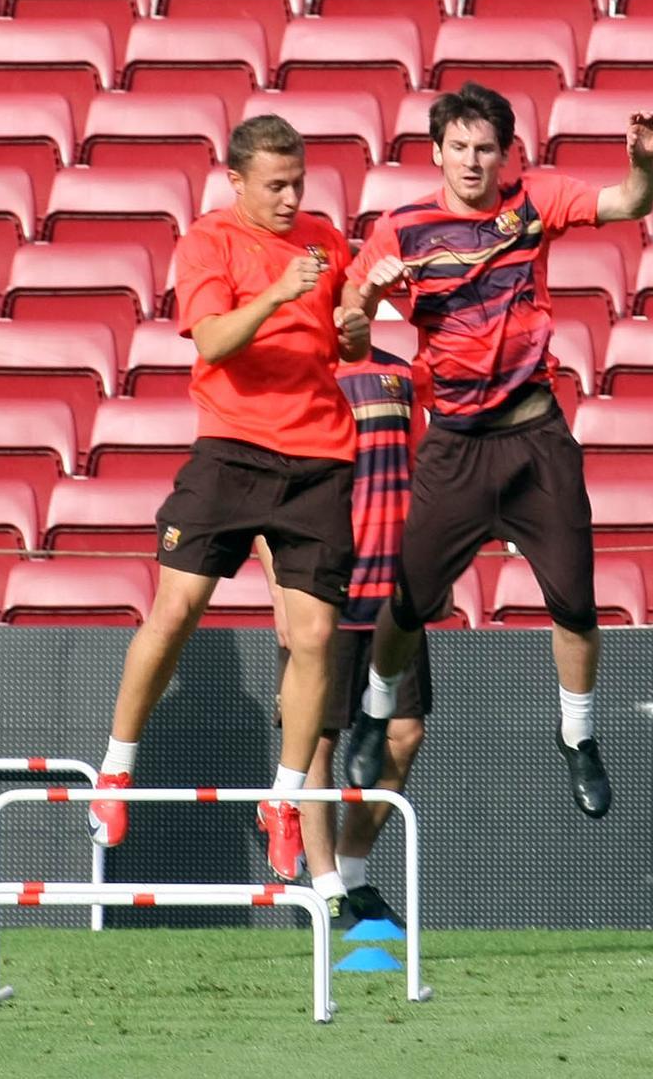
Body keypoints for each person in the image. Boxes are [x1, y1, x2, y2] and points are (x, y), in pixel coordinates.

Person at [343, 83, 653, 821]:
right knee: (408, 599)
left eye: (485, 147)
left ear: (506, 153)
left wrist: (643, 162)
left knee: (576, 602)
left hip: (534, 433)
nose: (472, 161)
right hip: (454, 441)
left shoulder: (532, 199)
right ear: (436, 152)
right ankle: (374, 709)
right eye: (459, 147)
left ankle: (578, 735)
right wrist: (367, 300)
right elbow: (346, 334)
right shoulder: (400, 229)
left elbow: (629, 203)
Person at [87, 114, 371, 880]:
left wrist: (354, 322)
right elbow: (212, 341)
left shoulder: (325, 239)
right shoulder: (208, 241)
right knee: (175, 611)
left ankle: (281, 798)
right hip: (232, 449)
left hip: (318, 456)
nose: (290, 198)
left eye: (298, 183)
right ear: (237, 180)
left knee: (316, 639)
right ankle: (116, 768)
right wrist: (280, 291)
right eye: (275, 185)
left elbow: (350, 343)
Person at [263, 342, 430, 929]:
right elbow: (266, 491)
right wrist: (279, 590)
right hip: (320, 586)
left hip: (393, 592)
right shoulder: (295, 370)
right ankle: (328, 884)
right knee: (318, 742)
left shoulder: (400, 374)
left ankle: (354, 872)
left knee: (404, 734)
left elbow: (423, 473)